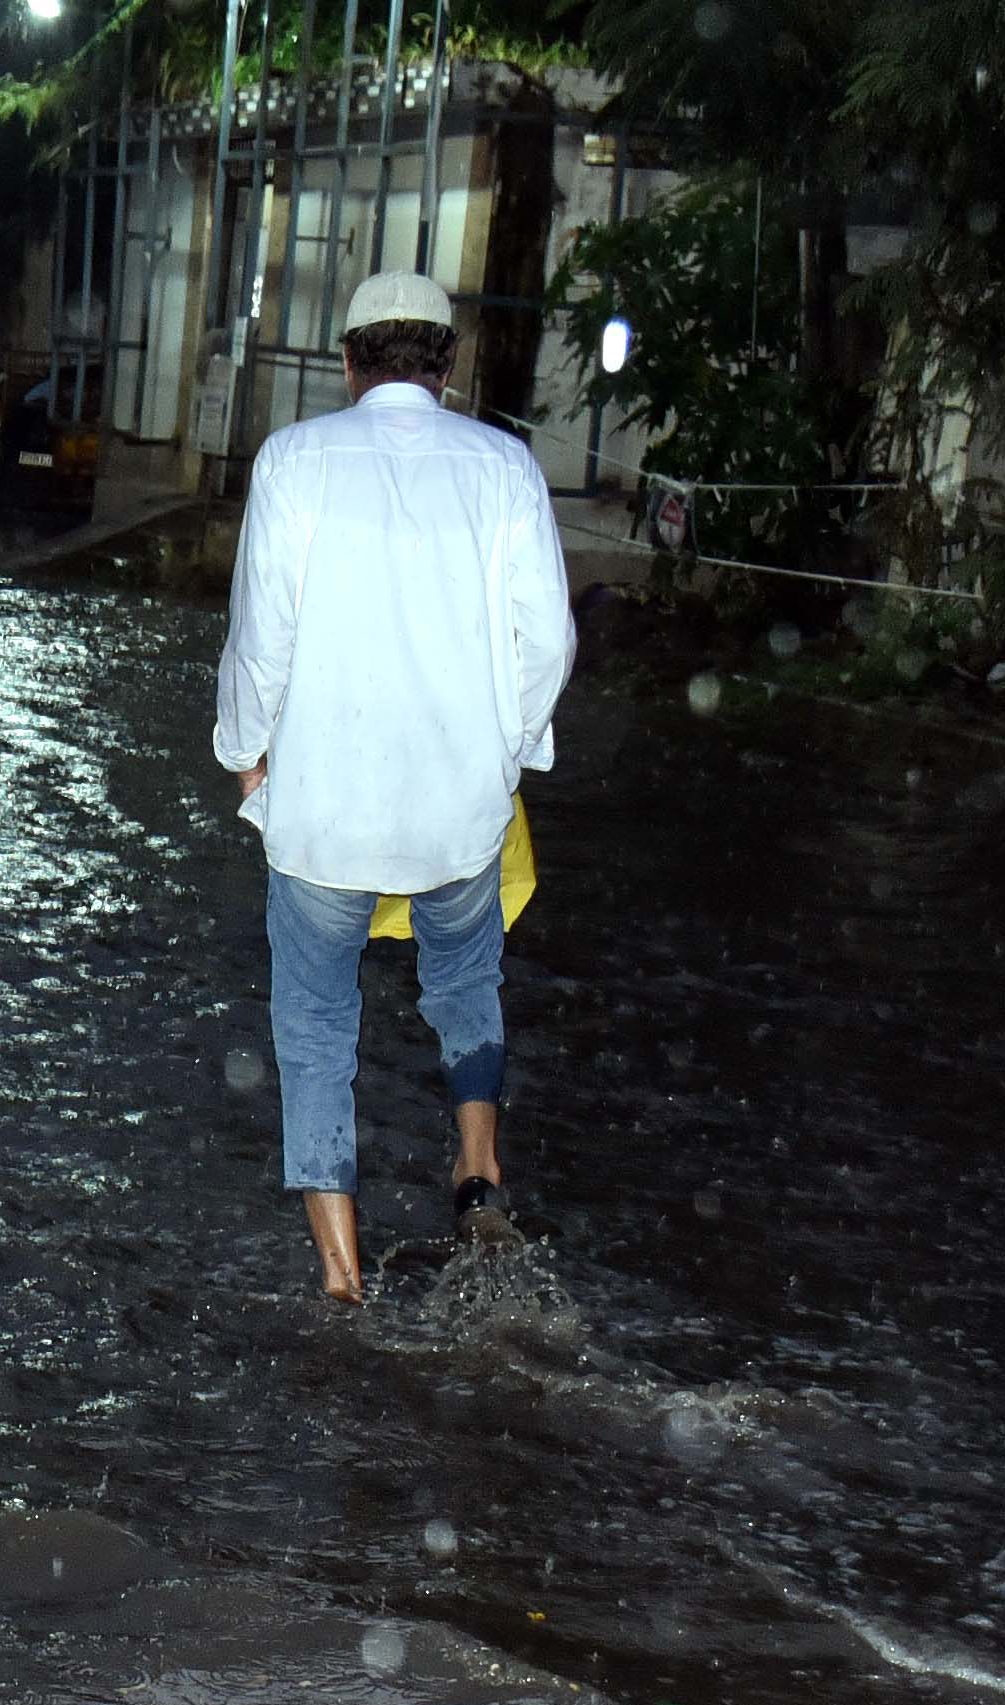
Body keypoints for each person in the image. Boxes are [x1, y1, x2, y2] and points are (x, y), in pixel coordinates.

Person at [213, 269, 575, 1302]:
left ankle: (342, 1278)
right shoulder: (505, 469)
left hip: (322, 815)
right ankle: (478, 1170)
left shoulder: (294, 462)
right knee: (465, 982)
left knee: (317, 1030)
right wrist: (500, 755)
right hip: (458, 816)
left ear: (347, 364)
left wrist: (247, 753)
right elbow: (545, 643)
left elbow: (259, 642)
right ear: (448, 366)